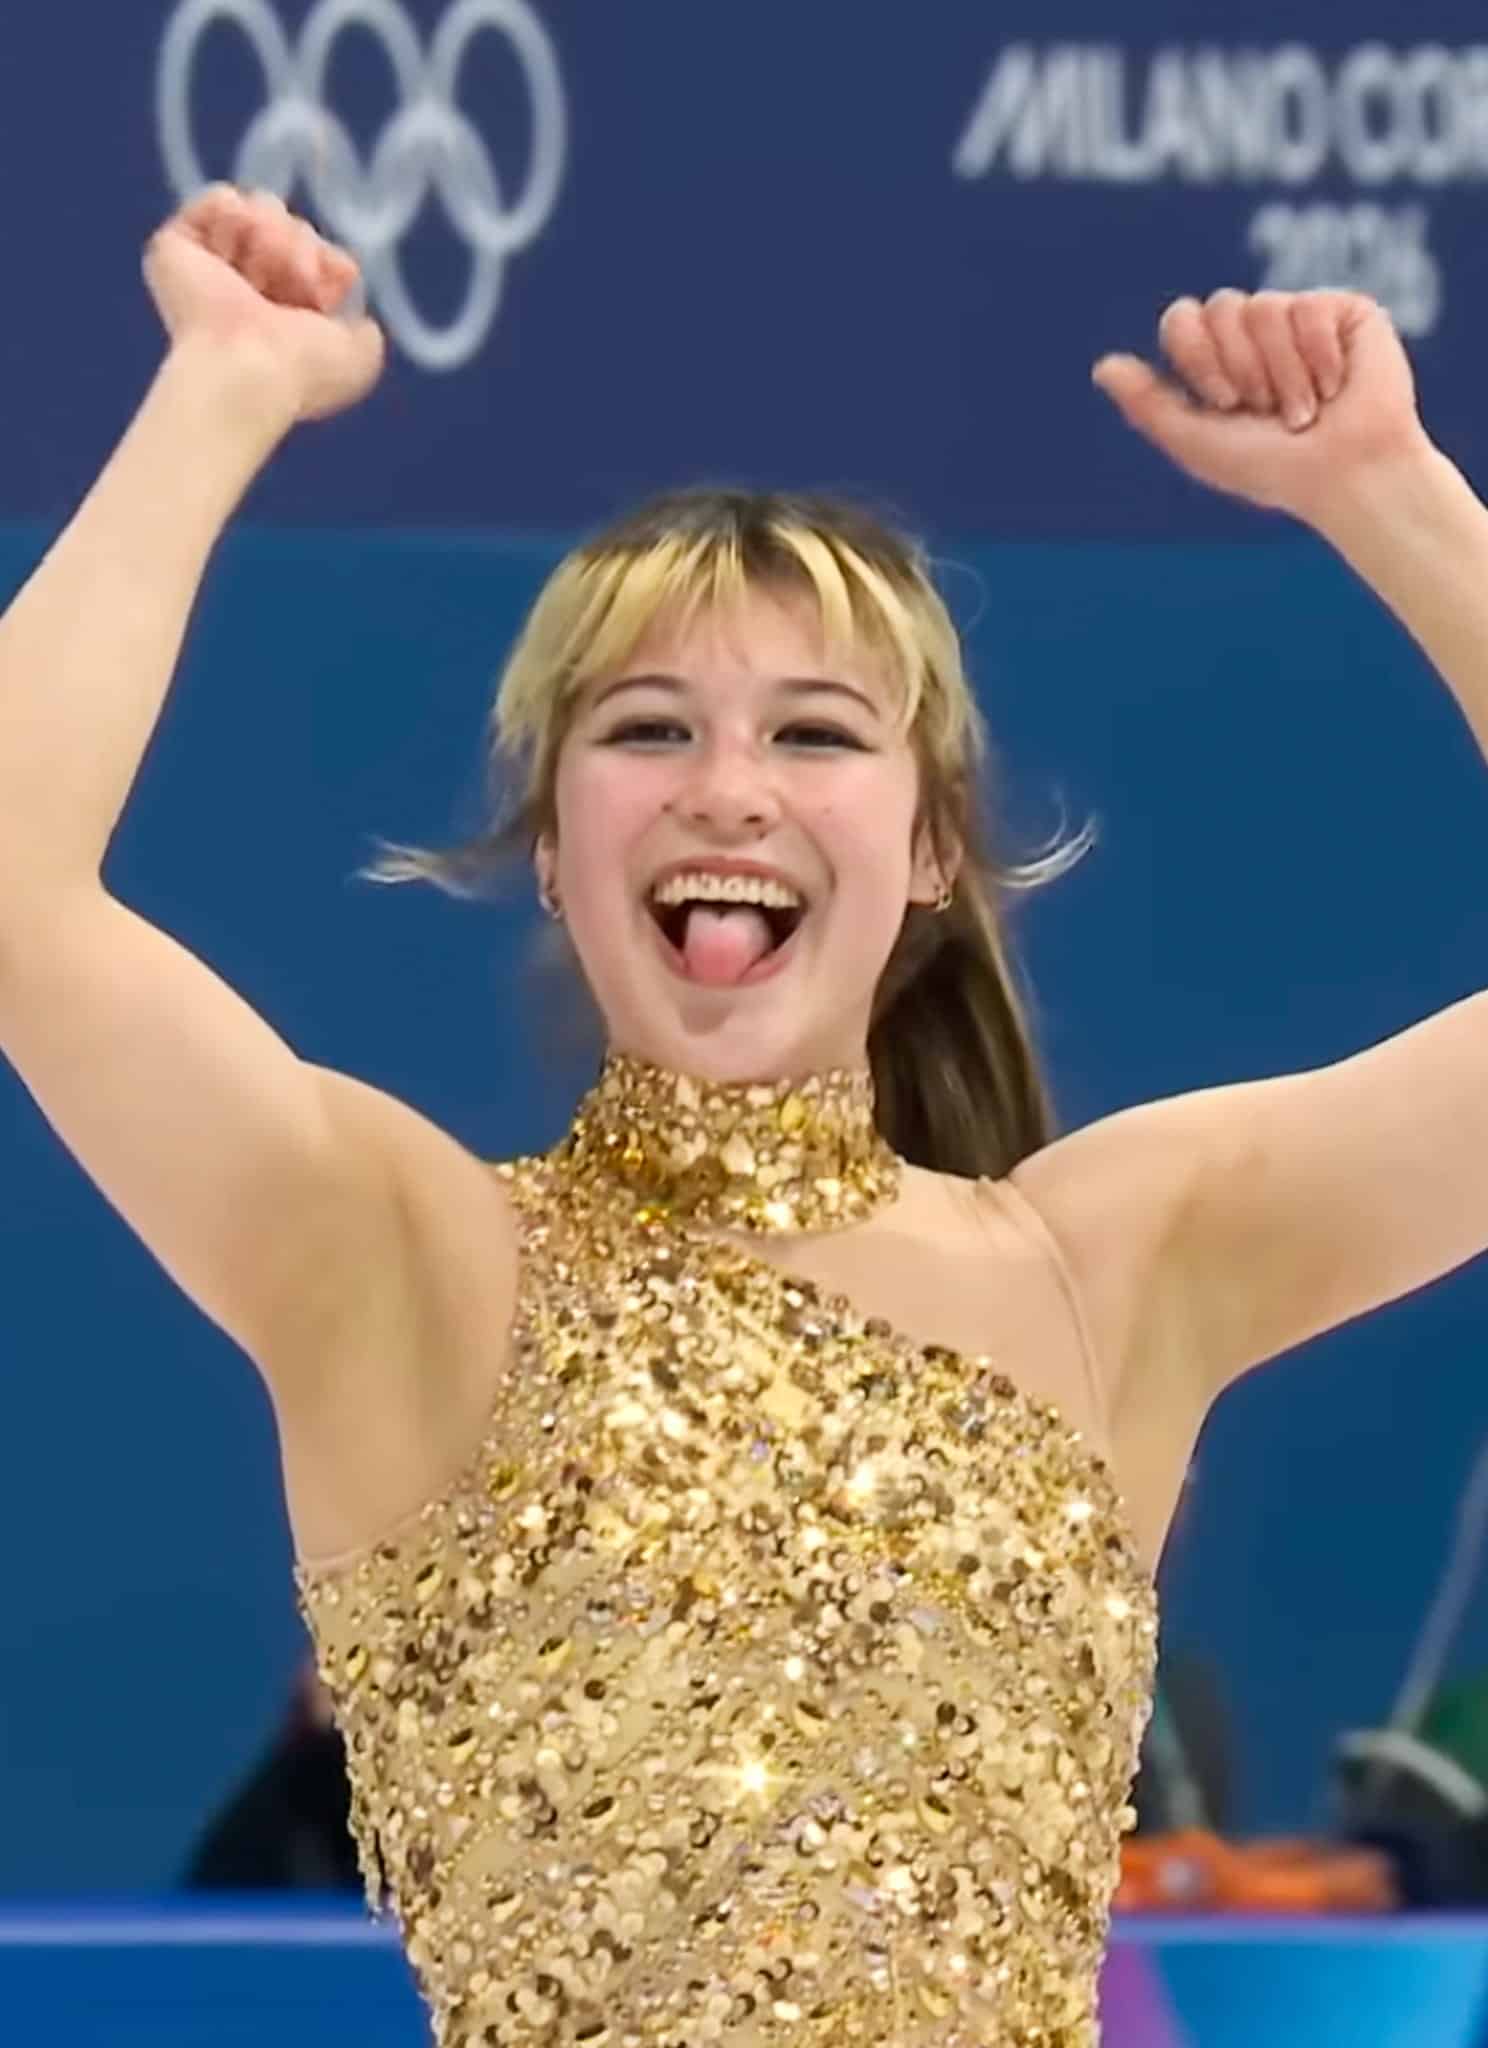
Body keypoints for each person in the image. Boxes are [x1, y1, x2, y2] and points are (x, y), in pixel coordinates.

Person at [3, 184, 1487, 2047]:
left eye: (813, 732)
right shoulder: (406, 1263)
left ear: (932, 843)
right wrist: (218, 391)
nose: (727, 791)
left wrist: (1390, 491)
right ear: (551, 851)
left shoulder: (1113, 1269)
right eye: (645, 730)